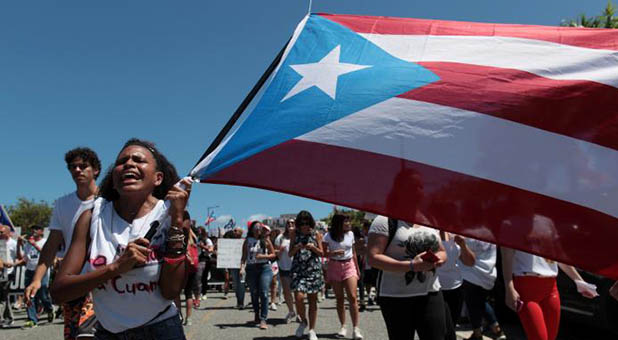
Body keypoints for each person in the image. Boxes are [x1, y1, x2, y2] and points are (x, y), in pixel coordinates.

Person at [50, 138, 192, 340]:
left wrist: (177, 221)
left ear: (157, 178)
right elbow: (59, 292)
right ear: (114, 178)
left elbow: (171, 291)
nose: (129, 164)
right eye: (122, 161)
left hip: (162, 330)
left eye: (138, 160)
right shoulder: (92, 217)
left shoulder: (173, 217)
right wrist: (116, 268)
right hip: (109, 333)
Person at [25, 147, 100, 339]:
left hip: (102, 281)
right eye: (72, 167)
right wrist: (36, 279)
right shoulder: (62, 204)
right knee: (74, 334)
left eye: (83, 166)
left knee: (90, 334)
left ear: (95, 170)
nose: (77, 170)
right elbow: (51, 245)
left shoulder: (108, 201)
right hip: (72, 281)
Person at [367, 215, 447, 340]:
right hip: (396, 296)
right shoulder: (384, 220)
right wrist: (411, 266)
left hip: (430, 292)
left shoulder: (430, 220)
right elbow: (373, 258)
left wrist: (439, 260)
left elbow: (442, 251)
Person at [502, 248, 596, 340]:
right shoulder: (516, 232)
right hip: (527, 287)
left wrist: (580, 282)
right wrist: (509, 286)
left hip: (551, 288)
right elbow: (506, 254)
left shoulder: (552, 232)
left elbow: (560, 258)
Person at [323, 214, 363, 339]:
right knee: (339, 298)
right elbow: (323, 253)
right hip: (334, 266)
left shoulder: (350, 234)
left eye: (349, 221)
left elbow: (354, 252)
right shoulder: (327, 236)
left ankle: (356, 329)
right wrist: (333, 253)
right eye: (346, 221)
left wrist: (357, 268)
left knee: (352, 296)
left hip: (349, 265)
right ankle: (343, 326)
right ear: (339, 223)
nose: (349, 224)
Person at [459, 237, 506, 340]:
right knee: (480, 302)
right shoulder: (490, 233)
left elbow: (465, 256)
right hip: (488, 273)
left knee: (473, 304)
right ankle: (495, 331)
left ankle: (479, 334)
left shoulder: (468, 234)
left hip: (471, 273)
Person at [289, 210, 324, 340]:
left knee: (312, 300)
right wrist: (297, 247)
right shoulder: (294, 234)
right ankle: (303, 321)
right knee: (298, 297)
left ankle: (312, 329)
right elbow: (289, 254)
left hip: (313, 269)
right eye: (302, 223)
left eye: (307, 223)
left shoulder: (316, 234)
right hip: (299, 270)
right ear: (298, 223)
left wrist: (313, 248)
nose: (305, 225)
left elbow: (322, 253)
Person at [18, 224, 55, 329]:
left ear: (41, 231)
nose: (33, 231)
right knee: (29, 295)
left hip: (41, 272)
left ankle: (49, 308)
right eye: (32, 229)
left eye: (36, 229)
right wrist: (19, 244)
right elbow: (24, 258)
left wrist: (35, 245)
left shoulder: (45, 242)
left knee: (43, 293)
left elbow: (48, 254)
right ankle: (32, 319)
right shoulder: (28, 244)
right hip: (29, 271)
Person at [241, 221, 276, 330]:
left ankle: (263, 318)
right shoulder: (247, 241)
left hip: (264, 268)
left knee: (264, 292)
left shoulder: (265, 240)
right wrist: (242, 268)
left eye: (259, 227)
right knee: (254, 292)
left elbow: (273, 254)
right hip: (251, 269)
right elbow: (244, 257)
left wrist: (263, 256)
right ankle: (256, 313)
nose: (257, 229)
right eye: (255, 227)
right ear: (251, 229)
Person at [274, 219, 297, 323]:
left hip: (297, 267)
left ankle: (300, 313)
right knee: (287, 292)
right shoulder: (280, 237)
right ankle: (291, 311)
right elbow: (275, 253)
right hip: (284, 267)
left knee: (298, 293)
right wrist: (280, 250)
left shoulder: (298, 236)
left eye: (292, 223)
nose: (290, 225)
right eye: (288, 223)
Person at [181, 213, 199, 327]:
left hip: (181, 267)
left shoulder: (180, 235)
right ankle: (189, 318)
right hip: (192, 268)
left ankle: (179, 316)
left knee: (176, 294)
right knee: (188, 293)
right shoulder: (192, 238)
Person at [0, 225, 18, 327]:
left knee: (4, 297)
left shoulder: (13, 244)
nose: (0, 234)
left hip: (8, 273)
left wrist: (13, 264)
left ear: (7, 232)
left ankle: (8, 318)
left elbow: (21, 258)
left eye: (2, 232)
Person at [196, 228, 214, 307]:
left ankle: (204, 293)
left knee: (203, 277)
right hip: (196, 260)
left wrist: (202, 246)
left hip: (205, 260)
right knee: (197, 278)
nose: (199, 233)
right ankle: (197, 293)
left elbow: (210, 249)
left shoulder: (207, 240)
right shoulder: (196, 239)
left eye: (200, 232)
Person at [268, 227, 281, 311]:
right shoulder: (264, 240)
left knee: (274, 282)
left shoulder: (278, 240)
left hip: (273, 262)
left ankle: (273, 302)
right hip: (264, 262)